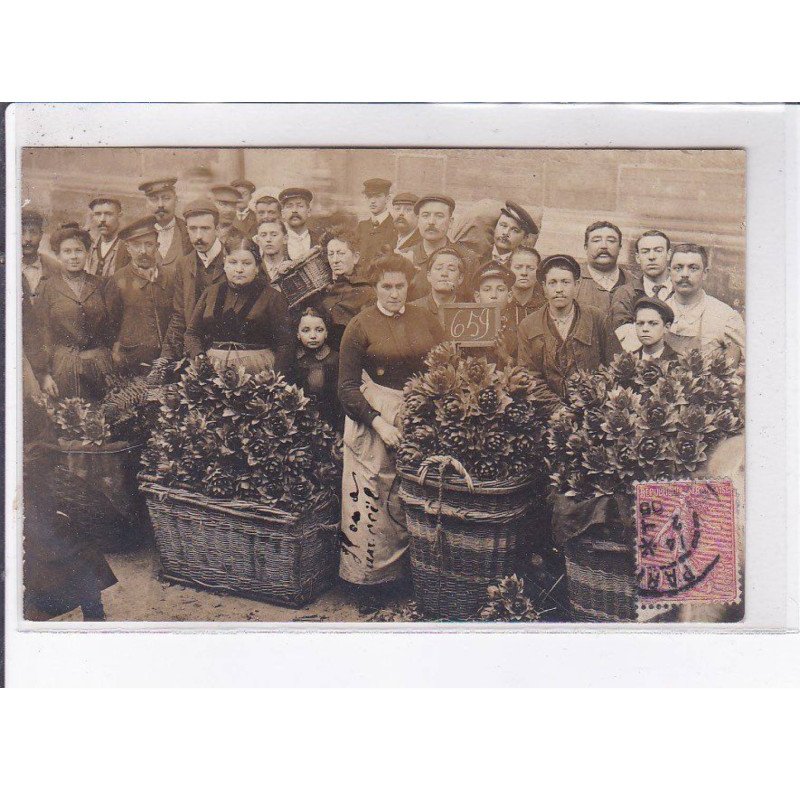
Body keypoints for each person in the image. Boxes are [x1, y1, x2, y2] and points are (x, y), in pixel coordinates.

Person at [338, 252, 445, 589]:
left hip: (417, 409)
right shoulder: (360, 325)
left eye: (400, 286)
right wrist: (379, 423)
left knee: (408, 492)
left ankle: (409, 578)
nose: (394, 293)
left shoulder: (425, 317)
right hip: (372, 413)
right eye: (387, 286)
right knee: (371, 492)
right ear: (376, 287)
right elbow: (346, 387)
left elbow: (443, 363)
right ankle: (368, 581)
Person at [184, 239, 294, 377]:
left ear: (257, 267)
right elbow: (192, 333)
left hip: (258, 372)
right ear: (224, 264)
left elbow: (285, 344)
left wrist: (274, 378)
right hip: (213, 370)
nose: (239, 269)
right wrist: (199, 357)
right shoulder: (210, 293)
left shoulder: (272, 297)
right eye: (233, 262)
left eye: (247, 263)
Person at [38, 224, 122, 400]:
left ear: (87, 253)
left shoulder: (102, 285)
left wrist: (111, 358)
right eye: (67, 251)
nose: (74, 256)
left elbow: (114, 327)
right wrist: (44, 374)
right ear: (58, 255)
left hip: (100, 366)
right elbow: (43, 332)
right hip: (63, 367)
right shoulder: (47, 287)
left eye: (79, 250)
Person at [517, 254, 615, 403]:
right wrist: (557, 409)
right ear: (544, 287)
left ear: (577, 285)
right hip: (547, 412)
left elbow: (614, 366)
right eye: (552, 283)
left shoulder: (596, 318)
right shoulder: (529, 325)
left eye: (565, 282)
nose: (559, 289)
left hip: (592, 409)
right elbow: (530, 376)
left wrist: (591, 396)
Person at [159, 199, 226, 362]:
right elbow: (179, 315)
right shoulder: (184, 264)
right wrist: (165, 358)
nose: (198, 236)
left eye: (205, 229)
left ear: (217, 229)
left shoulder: (233, 261)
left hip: (226, 353)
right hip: (194, 353)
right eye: (193, 229)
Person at [110, 216, 176, 375]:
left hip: (169, 362)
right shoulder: (118, 280)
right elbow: (111, 324)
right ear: (127, 247)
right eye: (136, 245)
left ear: (157, 246)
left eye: (149, 244)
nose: (143, 251)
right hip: (132, 363)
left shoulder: (171, 277)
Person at [665, 244, 745, 366]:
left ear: (705, 273)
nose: (685, 274)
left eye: (693, 268)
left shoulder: (725, 317)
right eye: (678, 268)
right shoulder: (657, 313)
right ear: (670, 272)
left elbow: (742, 369)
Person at [399, 194, 477, 301]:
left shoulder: (467, 258)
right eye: (425, 215)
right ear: (418, 220)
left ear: (450, 222)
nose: (431, 222)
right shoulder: (402, 257)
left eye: (439, 216)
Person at [610, 229, 674, 351]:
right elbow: (623, 338)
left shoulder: (680, 291)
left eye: (658, 250)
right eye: (645, 252)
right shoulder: (626, 293)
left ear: (669, 254)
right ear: (638, 258)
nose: (651, 257)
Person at [314, 227, 376, 350]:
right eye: (331, 254)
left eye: (341, 253)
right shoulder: (321, 289)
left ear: (355, 257)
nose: (335, 260)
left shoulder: (365, 291)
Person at [294, 305, 343, 430]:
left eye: (319, 330)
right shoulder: (293, 359)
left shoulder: (335, 359)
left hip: (328, 419)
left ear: (327, 333)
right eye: (306, 330)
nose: (313, 336)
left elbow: (339, 400)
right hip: (299, 419)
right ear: (297, 334)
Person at [576, 220, 632, 315]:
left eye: (611, 241)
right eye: (596, 240)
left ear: (619, 248)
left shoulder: (634, 283)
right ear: (586, 247)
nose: (604, 246)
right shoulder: (572, 281)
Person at [138, 177, 192, 269]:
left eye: (166, 198)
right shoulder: (136, 234)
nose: (160, 205)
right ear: (146, 203)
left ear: (176, 200)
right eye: (154, 199)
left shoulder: (189, 232)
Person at [471, 261, 517, 364]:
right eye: (487, 290)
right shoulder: (469, 326)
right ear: (477, 297)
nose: (494, 295)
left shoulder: (519, 327)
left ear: (509, 296)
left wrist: (507, 358)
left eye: (500, 289)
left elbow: (528, 367)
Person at [409, 245, 466, 323]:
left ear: (460, 278)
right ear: (429, 275)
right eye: (439, 268)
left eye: (451, 269)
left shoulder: (469, 310)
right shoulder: (412, 310)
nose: (444, 273)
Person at [355, 178, 398, 270]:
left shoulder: (395, 227)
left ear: (388, 199)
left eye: (378, 196)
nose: (372, 201)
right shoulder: (362, 226)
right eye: (369, 197)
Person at [483, 201, 540, 265]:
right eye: (503, 225)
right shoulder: (479, 254)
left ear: (524, 238)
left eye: (515, 230)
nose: (506, 233)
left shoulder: (524, 265)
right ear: (495, 226)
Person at [21, 207, 58, 304]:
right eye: (22, 232)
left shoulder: (55, 267)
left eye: (33, 232)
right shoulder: (5, 268)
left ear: (41, 235)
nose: (28, 239)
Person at [86, 197, 130, 278]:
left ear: (119, 216)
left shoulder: (128, 248)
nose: (102, 219)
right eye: (98, 214)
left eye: (108, 214)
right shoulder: (90, 246)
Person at [506, 242, 545, 327]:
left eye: (530, 268)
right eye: (518, 267)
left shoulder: (546, 309)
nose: (524, 273)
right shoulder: (500, 304)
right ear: (509, 270)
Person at [279, 187, 322, 260]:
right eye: (289, 206)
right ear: (283, 213)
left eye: (300, 206)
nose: (294, 210)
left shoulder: (320, 240)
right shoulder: (277, 241)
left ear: (308, 212)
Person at [633, 296, 678, 362]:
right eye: (640, 323)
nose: (645, 329)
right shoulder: (629, 360)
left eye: (653, 323)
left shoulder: (679, 361)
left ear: (666, 327)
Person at [211, 184, 251, 252]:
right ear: (212, 204)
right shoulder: (199, 232)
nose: (230, 210)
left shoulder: (243, 238)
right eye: (223, 204)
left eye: (233, 205)